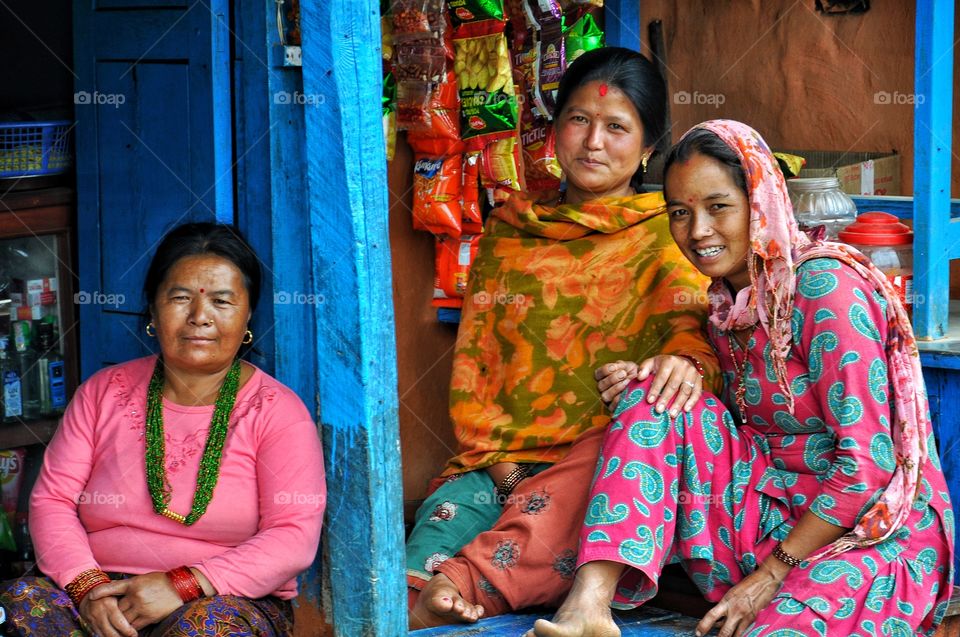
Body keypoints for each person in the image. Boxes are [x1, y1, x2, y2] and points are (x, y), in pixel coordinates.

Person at [531, 120, 955, 637]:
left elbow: (867, 469)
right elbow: (721, 426)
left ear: (761, 203)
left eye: (718, 207)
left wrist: (773, 573)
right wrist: (652, 378)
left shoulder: (823, 288)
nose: (698, 231)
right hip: (767, 523)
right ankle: (587, 609)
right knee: (658, 391)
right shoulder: (726, 305)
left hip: (868, 536)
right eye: (680, 213)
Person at [407, 47, 723, 629]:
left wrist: (679, 364)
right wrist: (504, 466)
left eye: (616, 127)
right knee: (423, 557)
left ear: (649, 146)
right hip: (495, 463)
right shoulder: (510, 231)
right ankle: (439, 590)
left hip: (597, 469)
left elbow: (694, 344)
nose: (593, 142)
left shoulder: (668, 238)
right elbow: (479, 366)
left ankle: (471, 585)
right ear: (554, 130)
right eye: (578, 120)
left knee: (506, 554)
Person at [0, 223, 326, 637]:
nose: (199, 317)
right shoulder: (102, 392)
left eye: (223, 301)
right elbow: (53, 501)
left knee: (208, 628)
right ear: (153, 311)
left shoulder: (278, 412)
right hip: (100, 593)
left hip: (220, 597)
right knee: (18, 607)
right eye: (180, 298)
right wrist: (88, 588)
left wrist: (183, 585)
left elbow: (293, 536)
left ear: (247, 316)